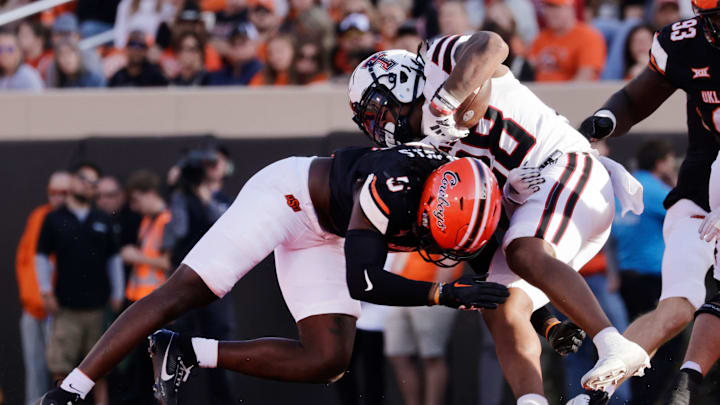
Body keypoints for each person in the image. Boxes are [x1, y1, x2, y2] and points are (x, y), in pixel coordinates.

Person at [37, 144, 518, 405]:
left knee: (328, 359)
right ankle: (67, 392)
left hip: (331, 232)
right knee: (187, 291)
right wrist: (443, 294)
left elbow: (491, 260)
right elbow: (365, 283)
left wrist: (542, 321)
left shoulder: (466, 194)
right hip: (290, 198)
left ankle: (184, 351)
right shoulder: (393, 189)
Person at [347, 37, 647, 405]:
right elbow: (485, 242)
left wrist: (447, 101)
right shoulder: (423, 154)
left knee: (523, 250)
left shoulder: (436, 63)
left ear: (400, 82)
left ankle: (614, 344)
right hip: (531, 206)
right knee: (500, 304)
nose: (379, 125)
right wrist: (547, 322)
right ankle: (532, 401)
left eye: (377, 110)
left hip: (564, 165)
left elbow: (492, 45)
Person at [573, 1, 720, 402]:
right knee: (675, 307)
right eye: (713, 18)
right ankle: (597, 392)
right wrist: (605, 119)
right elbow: (635, 101)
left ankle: (687, 385)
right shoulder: (684, 43)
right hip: (701, 187)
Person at [35, 163, 125, 405]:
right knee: (60, 367)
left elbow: (114, 259)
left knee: (100, 369)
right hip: (66, 308)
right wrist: (44, 290)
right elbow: (41, 257)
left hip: (98, 307)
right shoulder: (54, 219)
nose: (88, 185)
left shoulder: (102, 219)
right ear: (72, 181)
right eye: (83, 178)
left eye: (94, 182)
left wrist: (118, 292)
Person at [611, 140, 680, 405]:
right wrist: (675, 184)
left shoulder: (625, 190)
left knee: (635, 344)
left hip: (628, 280)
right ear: (661, 162)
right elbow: (689, 217)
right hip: (654, 282)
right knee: (664, 349)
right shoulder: (657, 190)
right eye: (670, 161)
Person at [115, 170, 172, 405]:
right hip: (140, 302)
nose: (136, 207)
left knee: (154, 370)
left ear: (150, 194)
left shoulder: (166, 220)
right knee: (138, 369)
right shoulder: (148, 221)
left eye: (137, 200)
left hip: (156, 305)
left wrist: (136, 257)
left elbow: (170, 262)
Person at [15, 171, 71, 405]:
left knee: (61, 369)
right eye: (53, 192)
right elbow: (24, 260)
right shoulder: (38, 216)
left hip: (58, 309)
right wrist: (31, 297)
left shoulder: (72, 220)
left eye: (64, 193)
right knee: (34, 368)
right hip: (33, 307)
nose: (58, 197)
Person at [384, 252, 461, 405]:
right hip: (401, 292)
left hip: (431, 293)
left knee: (432, 355)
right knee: (398, 354)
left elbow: (452, 253)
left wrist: (438, 292)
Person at [529, 0, 607, 81]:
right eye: (546, 7)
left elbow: (585, 78)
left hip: (570, 92)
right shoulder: (541, 37)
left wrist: (562, 93)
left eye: (555, 7)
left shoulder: (589, 36)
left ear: (570, 8)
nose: (549, 12)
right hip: (536, 91)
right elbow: (529, 66)